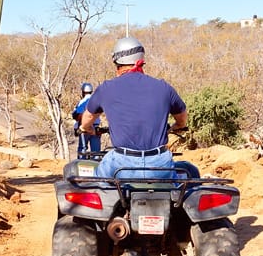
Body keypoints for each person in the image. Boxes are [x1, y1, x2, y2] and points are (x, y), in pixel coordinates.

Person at [80, 36, 187, 179]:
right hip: (159, 165)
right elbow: (182, 117)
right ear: (141, 61)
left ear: (117, 64)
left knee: (96, 185)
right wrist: (177, 126)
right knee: (188, 176)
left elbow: (87, 118)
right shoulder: (163, 87)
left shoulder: (106, 88)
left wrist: (87, 129)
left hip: (121, 164)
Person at [71, 82, 102, 155]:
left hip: (85, 128)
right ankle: (96, 165)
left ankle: (82, 164)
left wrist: (78, 127)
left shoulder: (83, 101)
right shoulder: (96, 101)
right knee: (96, 153)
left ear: (82, 92)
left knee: (82, 151)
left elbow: (77, 114)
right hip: (95, 128)